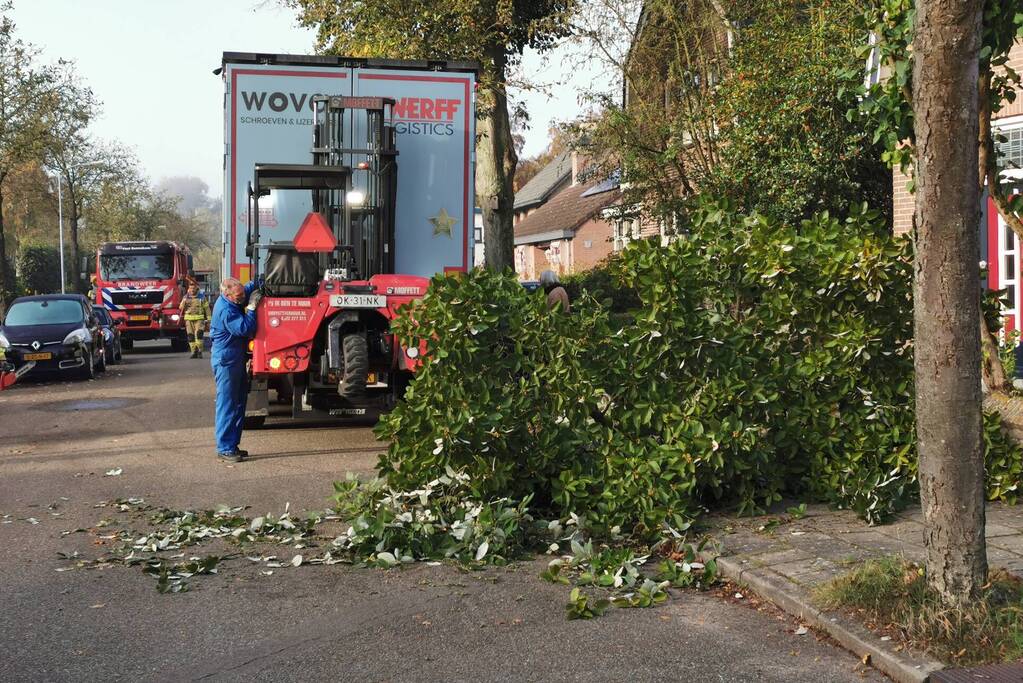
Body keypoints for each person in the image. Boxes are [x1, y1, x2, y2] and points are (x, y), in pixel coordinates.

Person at [209, 277, 261, 462]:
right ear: (227, 294)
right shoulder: (226, 310)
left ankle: (232, 445)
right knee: (228, 403)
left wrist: (260, 280)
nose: (242, 299)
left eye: (242, 296)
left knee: (239, 402)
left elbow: (246, 288)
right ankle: (224, 448)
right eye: (238, 297)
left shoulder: (234, 296)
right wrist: (252, 308)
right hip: (226, 359)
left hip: (233, 357)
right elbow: (246, 328)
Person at [181, 283, 211, 359]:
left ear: (197, 289)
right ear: (188, 289)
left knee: (199, 335)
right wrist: (184, 302)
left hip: (199, 319)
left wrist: (209, 320)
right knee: (190, 336)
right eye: (190, 288)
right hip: (189, 320)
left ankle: (200, 351)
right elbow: (181, 308)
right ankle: (193, 351)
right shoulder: (185, 297)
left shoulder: (202, 297)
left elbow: (207, 309)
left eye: (193, 288)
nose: (192, 290)